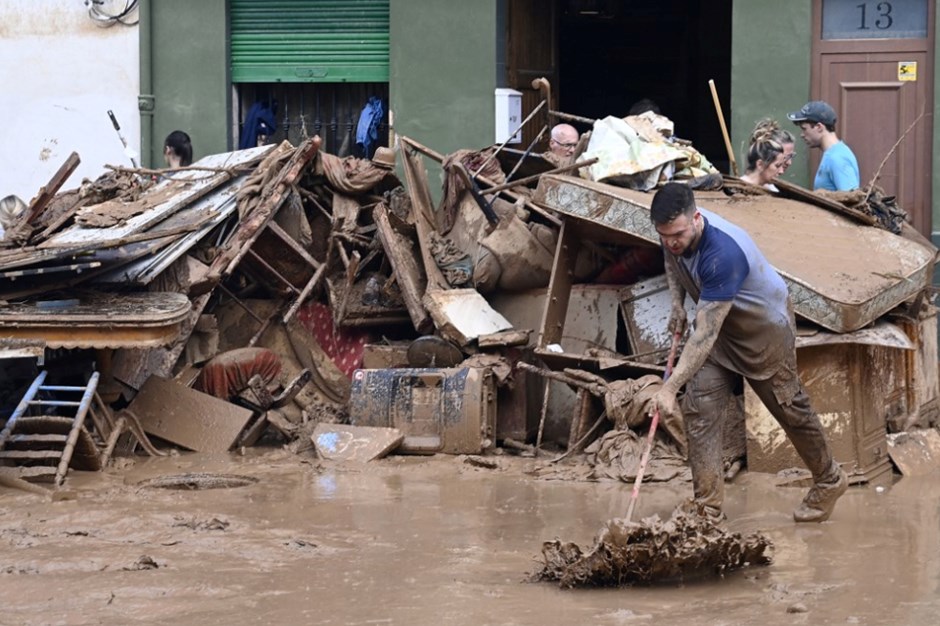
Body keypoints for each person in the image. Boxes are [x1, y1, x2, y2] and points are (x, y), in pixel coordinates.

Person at [648, 182, 847, 523]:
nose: (671, 241)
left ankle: (830, 479)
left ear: (696, 219)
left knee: (790, 410)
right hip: (722, 333)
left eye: (677, 234)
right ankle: (707, 508)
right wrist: (677, 304)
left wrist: (669, 387)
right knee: (700, 411)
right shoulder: (672, 233)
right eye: (664, 235)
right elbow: (672, 259)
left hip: (763, 332)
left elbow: (702, 337)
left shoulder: (722, 255)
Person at [787, 100, 859, 191]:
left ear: (819, 127)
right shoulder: (833, 154)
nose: (802, 135)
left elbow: (851, 200)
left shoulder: (838, 158)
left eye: (804, 129)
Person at [740, 119, 792, 191]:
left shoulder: (773, 190)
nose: (781, 171)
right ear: (760, 164)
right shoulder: (739, 190)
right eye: (777, 166)